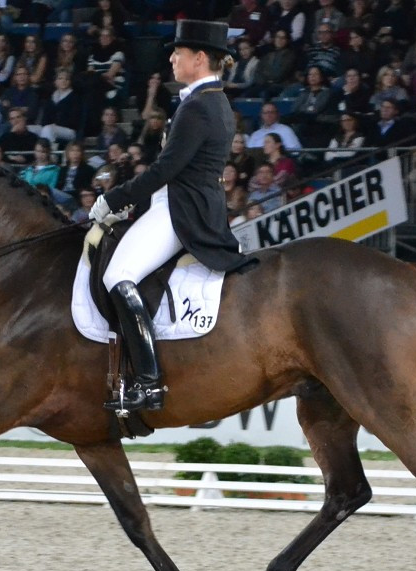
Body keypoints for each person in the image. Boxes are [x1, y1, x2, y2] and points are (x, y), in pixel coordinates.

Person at [87, 20, 253, 412]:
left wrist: (114, 200)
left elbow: (165, 170)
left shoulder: (200, 106)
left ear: (199, 58)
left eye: (179, 53)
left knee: (117, 276)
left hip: (181, 210)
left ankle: (149, 382)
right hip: (176, 201)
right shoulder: (206, 100)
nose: (172, 58)